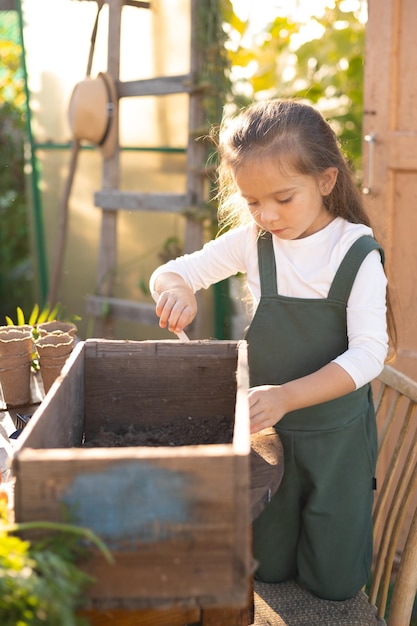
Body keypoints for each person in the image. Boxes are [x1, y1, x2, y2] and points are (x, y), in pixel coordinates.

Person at [149, 98, 394, 601]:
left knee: (334, 582)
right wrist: (175, 290)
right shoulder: (253, 242)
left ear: (326, 181)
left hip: (337, 443)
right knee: (269, 569)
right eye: (254, 201)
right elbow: (176, 270)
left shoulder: (355, 253)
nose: (268, 215)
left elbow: (370, 354)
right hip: (267, 441)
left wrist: (285, 396)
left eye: (283, 198)